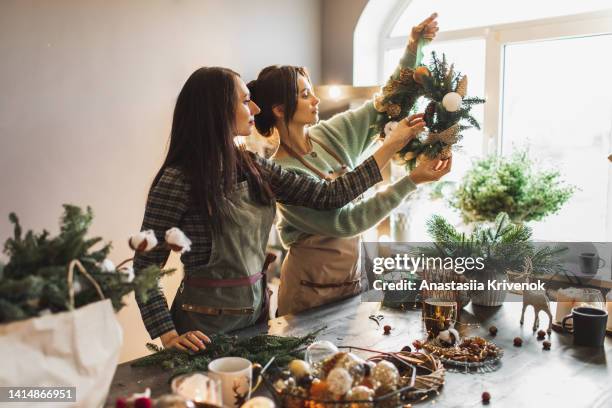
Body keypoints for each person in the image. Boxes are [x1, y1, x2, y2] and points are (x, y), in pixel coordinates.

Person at [133, 66, 446, 352]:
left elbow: (332, 196)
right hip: (201, 332)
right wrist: (169, 335)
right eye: (244, 101)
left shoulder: (253, 166)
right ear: (216, 110)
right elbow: (145, 267)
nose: (255, 108)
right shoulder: (177, 181)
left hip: (258, 320)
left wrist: (405, 168)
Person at [248, 14, 451, 315]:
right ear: (279, 109)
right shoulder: (283, 174)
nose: (315, 100)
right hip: (306, 294)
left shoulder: (330, 134)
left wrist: (413, 48)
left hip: (352, 283)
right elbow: (347, 221)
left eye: (313, 91)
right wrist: (409, 179)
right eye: (305, 95)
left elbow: (385, 106)